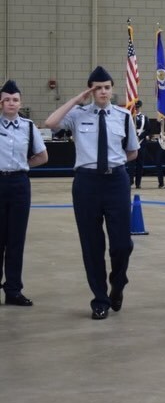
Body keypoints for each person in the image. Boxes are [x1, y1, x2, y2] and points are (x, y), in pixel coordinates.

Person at [44, 66, 139, 320]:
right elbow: (50, 123)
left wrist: (113, 165)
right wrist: (77, 99)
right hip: (86, 184)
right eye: (98, 88)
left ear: (112, 89)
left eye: (107, 87)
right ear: (91, 90)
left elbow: (132, 151)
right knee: (92, 244)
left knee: (122, 244)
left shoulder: (123, 116)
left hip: (116, 180)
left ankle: (117, 284)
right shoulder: (77, 115)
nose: (103, 92)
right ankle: (100, 299)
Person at [0, 80, 48, 307]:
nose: (11, 103)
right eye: (7, 99)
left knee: (16, 239)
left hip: (19, 183)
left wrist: (22, 164)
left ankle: (13, 290)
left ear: (21, 103)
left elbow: (42, 156)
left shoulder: (28, 127)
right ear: (1, 103)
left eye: (15, 100)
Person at [130, 100, 149, 189]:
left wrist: (140, 136)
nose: (136, 109)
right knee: (131, 164)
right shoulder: (130, 117)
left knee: (140, 164)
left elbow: (148, 130)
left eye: (137, 108)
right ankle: (130, 181)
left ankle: (138, 183)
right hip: (132, 143)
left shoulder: (145, 118)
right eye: (135, 107)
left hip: (141, 143)